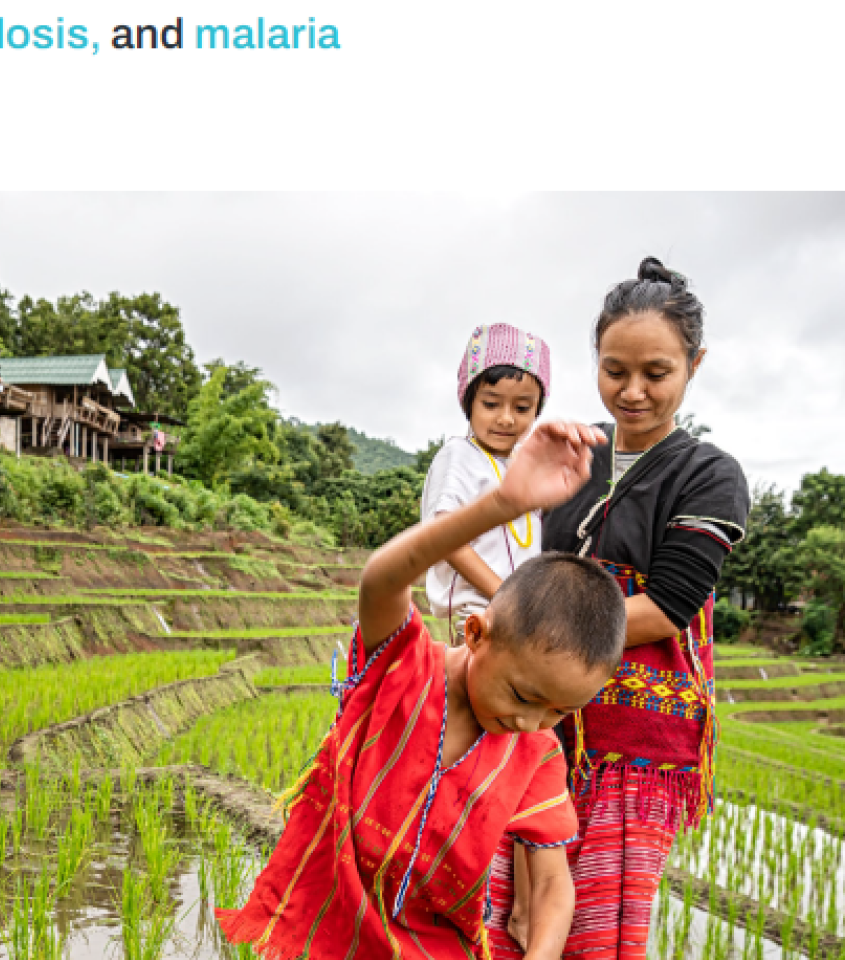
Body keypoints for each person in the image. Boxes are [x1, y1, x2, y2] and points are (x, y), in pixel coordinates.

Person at [218, 421, 626, 960]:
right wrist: (501, 503)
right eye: (524, 697)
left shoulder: (535, 756)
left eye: (561, 711)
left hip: (434, 946)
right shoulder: (402, 666)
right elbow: (382, 578)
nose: (532, 722)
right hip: (325, 929)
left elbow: (552, 885)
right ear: (476, 632)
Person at [488, 259, 750, 959]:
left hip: (631, 747)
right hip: (535, 723)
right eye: (614, 371)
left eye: (656, 373)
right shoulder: (574, 457)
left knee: (597, 935)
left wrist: (527, 646)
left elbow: (665, 607)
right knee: (503, 921)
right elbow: (534, 566)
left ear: (694, 364)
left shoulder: (709, 474)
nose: (631, 392)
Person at [422, 322, 552, 642]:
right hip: (478, 616)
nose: (506, 418)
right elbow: (447, 538)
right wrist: (506, 596)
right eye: (491, 404)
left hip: (519, 615)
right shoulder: (459, 456)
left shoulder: (525, 467)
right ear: (469, 402)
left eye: (522, 407)